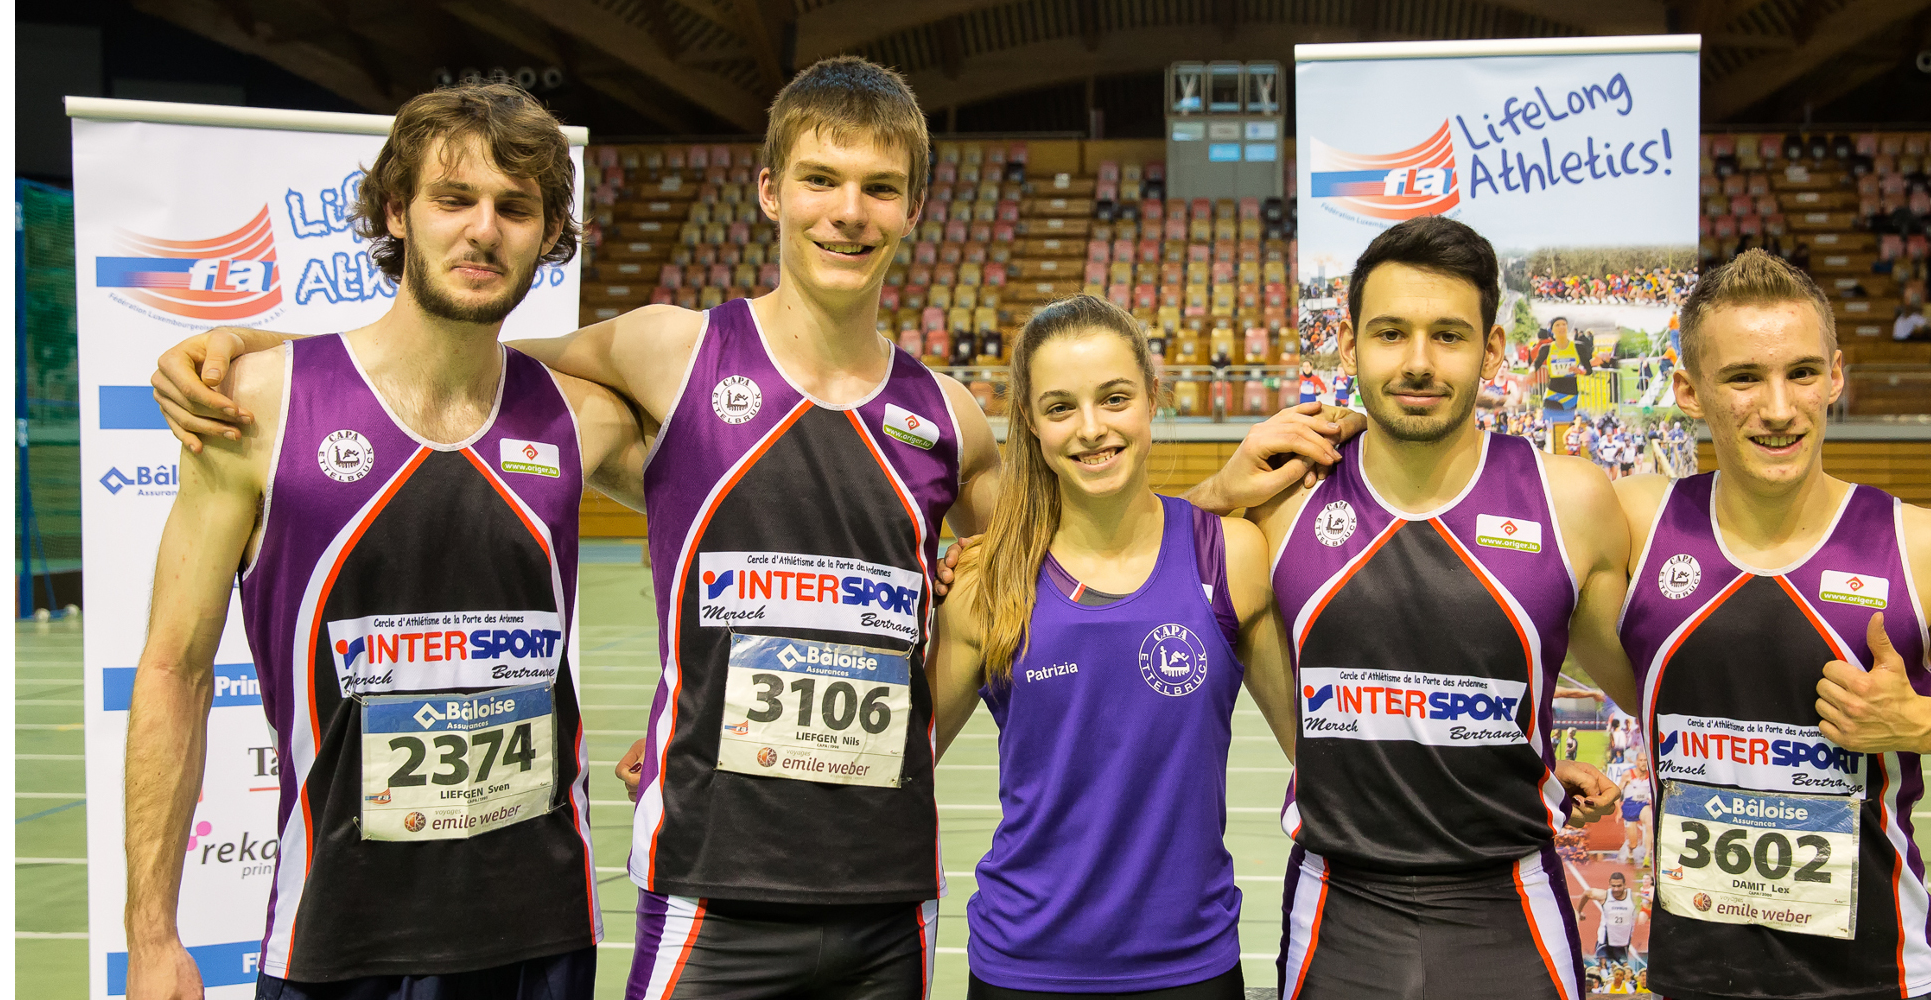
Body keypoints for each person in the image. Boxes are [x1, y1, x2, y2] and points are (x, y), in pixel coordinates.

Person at [154, 57, 1005, 1000]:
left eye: (879, 188)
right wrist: (252, 344)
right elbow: (462, 343)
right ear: (769, 190)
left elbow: (1030, 567)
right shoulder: (662, 352)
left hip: (842, 896)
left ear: (915, 206)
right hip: (677, 892)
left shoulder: (953, 419)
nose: (848, 211)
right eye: (820, 179)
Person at [121, 84, 648, 1000]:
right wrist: (154, 935)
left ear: (548, 234)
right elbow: (175, 670)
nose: (485, 229)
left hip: (542, 936)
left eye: (516, 208)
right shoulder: (258, 408)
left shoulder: (580, 418)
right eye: (455, 199)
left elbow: (749, 500)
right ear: (397, 210)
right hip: (336, 942)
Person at [1179, 216, 1641, 1000]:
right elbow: (1122, 589)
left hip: (1511, 906)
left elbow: (1656, 691)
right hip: (1338, 905)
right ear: (1350, 340)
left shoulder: (1572, 503)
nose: (1419, 363)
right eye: (1391, 333)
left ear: (1493, 351)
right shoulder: (1280, 503)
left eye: (1449, 336)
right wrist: (1216, 493)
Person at [1614, 250, 1931, 1000]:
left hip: (1875, 980)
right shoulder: (1635, 526)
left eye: (1801, 373)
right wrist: (1353, 442)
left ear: (1836, 375)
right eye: (1742, 378)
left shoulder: (1923, 547)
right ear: (1688, 391)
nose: (1777, 407)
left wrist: (1922, 723)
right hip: (1694, 979)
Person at [931, 295, 1300, 1000]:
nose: (1092, 428)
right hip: (1022, 966)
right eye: (1061, 407)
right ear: (1032, 425)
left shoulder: (1231, 557)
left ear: (1153, 397)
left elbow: (1325, 754)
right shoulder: (986, 583)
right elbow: (896, 764)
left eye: (1115, 397)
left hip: (1191, 966)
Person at [1575, 872, 1641, 987]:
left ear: (1625, 885)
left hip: (1623, 942)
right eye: (1613, 886)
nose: (1616, 889)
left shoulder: (1633, 897)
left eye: (1619, 886)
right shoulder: (1604, 896)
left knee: (1623, 971)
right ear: (1609, 885)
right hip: (1604, 940)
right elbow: (1587, 893)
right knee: (1601, 967)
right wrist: (1578, 912)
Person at [1534, 316, 1585, 422]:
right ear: (1552, 330)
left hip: (1571, 395)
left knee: (1566, 424)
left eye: (1564, 324)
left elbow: (1588, 368)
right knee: (1552, 424)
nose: (1561, 327)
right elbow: (1535, 365)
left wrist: (1580, 370)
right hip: (1553, 393)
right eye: (1557, 325)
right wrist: (1530, 374)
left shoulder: (1577, 347)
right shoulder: (1547, 348)